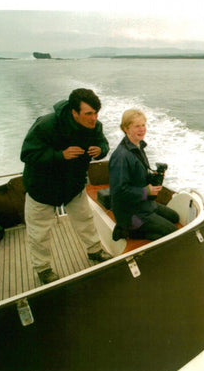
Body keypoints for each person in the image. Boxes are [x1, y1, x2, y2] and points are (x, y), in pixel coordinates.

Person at [21, 88, 113, 284]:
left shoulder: (95, 127)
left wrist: (101, 150)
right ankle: (43, 269)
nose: (94, 118)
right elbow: (27, 154)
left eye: (96, 113)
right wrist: (59, 155)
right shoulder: (46, 125)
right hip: (42, 188)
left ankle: (95, 251)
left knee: (86, 220)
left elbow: (103, 143)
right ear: (74, 112)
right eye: (88, 113)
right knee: (39, 233)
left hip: (73, 186)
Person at [109, 109, 179, 241]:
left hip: (143, 204)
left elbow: (138, 178)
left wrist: (154, 177)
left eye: (143, 125)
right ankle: (128, 231)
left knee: (174, 217)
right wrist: (146, 191)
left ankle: (137, 228)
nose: (142, 129)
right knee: (173, 233)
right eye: (137, 126)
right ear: (126, 128)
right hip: (132, 213)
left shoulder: (138, 146)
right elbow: (118, 192)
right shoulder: (121, 156)